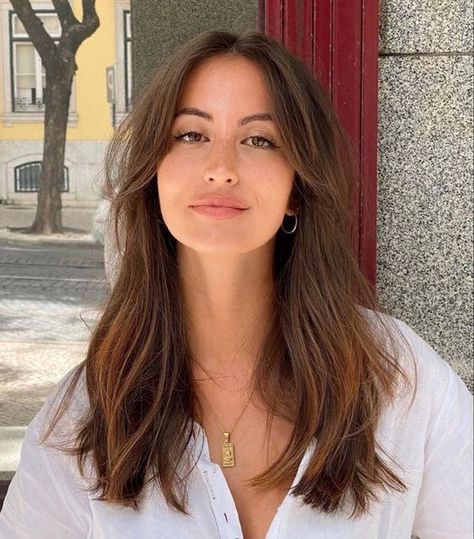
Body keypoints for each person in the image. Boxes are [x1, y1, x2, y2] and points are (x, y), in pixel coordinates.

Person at [0, 30, 472, 539]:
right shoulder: (83, 414)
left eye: (259, 140)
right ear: (154, 172)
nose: (221, 169)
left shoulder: (400, 379)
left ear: (297, 187)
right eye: (191, 135)